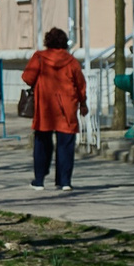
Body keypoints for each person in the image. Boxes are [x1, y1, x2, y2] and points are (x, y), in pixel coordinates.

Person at [22, 28, 86, 192]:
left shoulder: (39, 57)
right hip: (67, 108)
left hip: (45, 106)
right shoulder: (71, 61)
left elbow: (27, 78)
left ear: (47, 41)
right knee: (66, 145)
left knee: (42, 143)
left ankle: (39, 180)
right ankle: (64, 181)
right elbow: (80, 85)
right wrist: (83, 104)